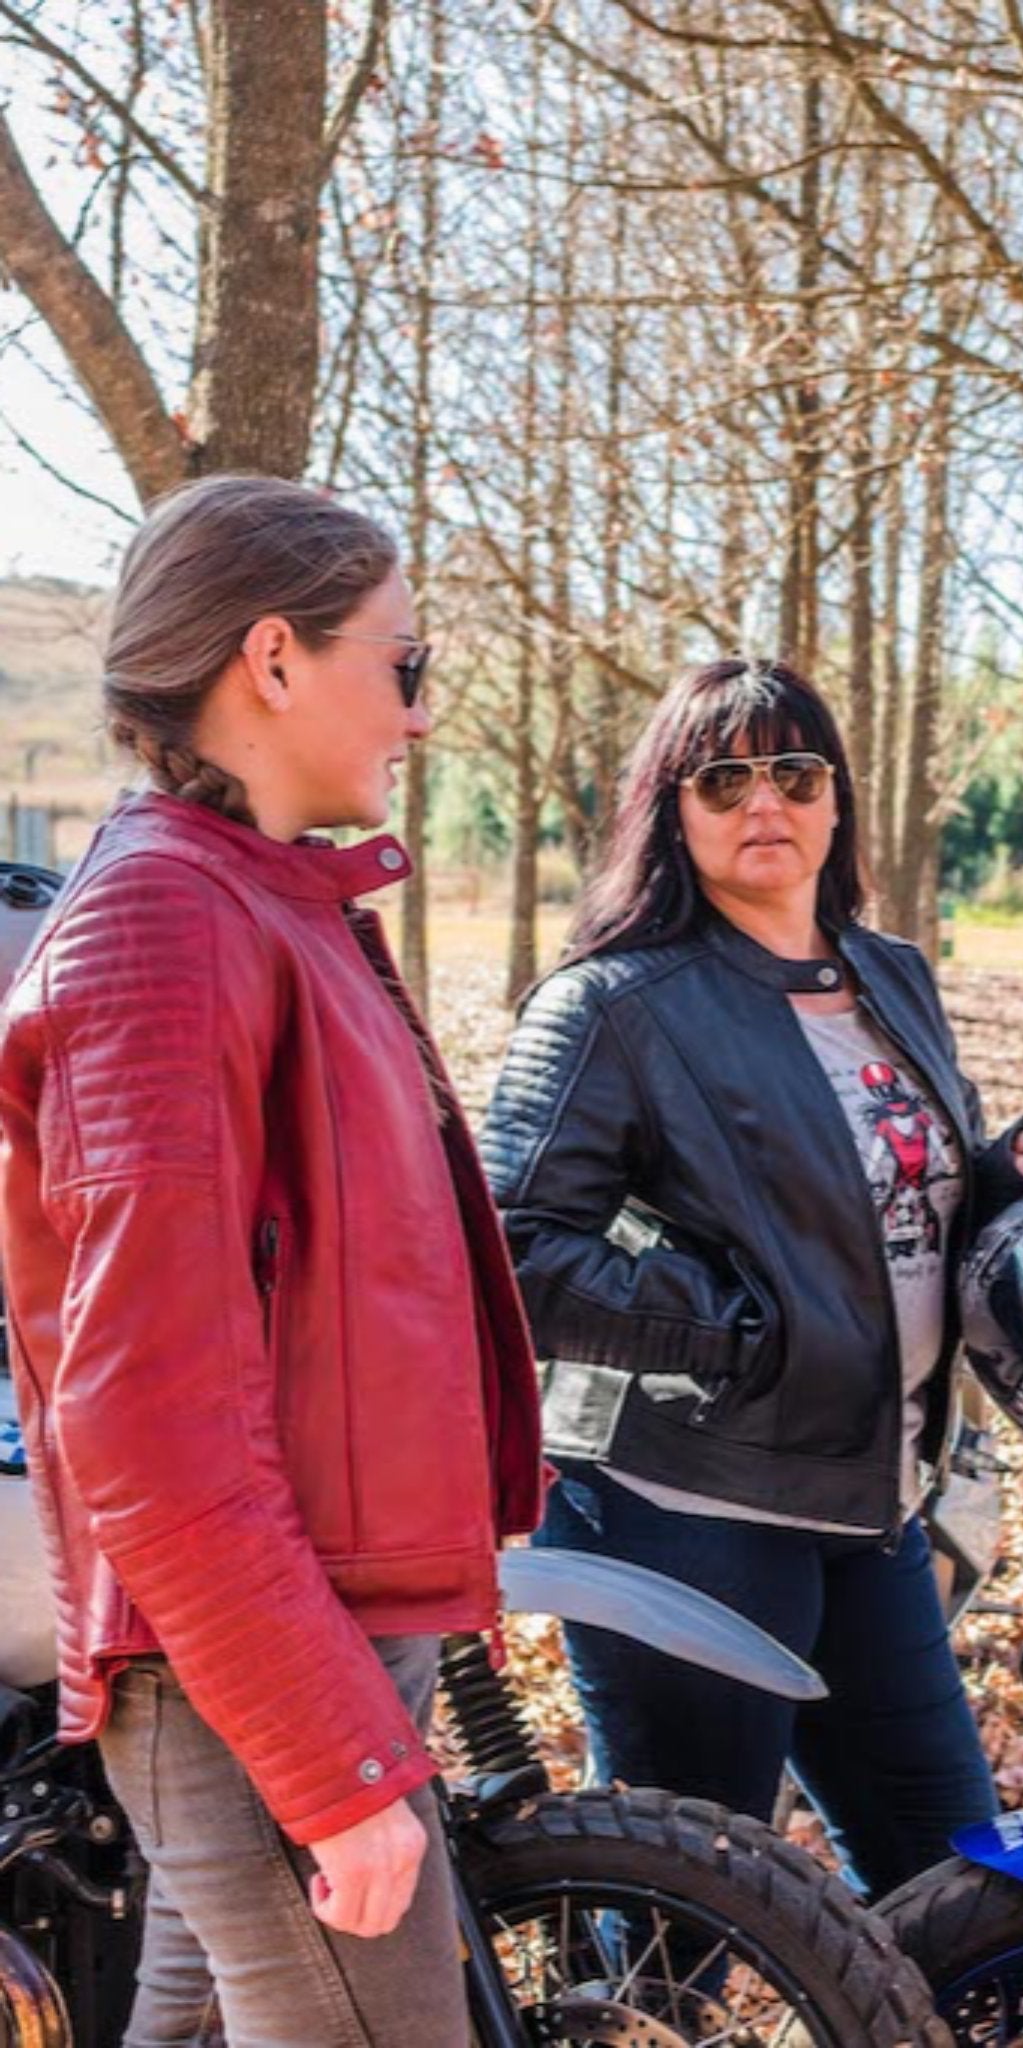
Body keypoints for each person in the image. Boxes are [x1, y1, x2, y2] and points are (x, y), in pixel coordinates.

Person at [0, 476, 545, 2046]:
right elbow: (144, 1415)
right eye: (405, 665)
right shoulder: (163, 928)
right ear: (275, 661)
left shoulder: (257, 899)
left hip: (304, 1635)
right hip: (250, 1672)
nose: (418, 717)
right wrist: (333, 1764)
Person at [481, 656, 1023, 1900]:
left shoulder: (888, 973)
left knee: (952, 1883)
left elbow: (880, 1191)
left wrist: (1019, 1149)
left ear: (835, 799)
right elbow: (511, 1245)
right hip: (685, 1511)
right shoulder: (614, 1003)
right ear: (674, 810)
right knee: (686, 1911)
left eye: (793, 769)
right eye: (723, 777)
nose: (763, 798)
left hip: (871, 1505)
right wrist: (741, 1333)